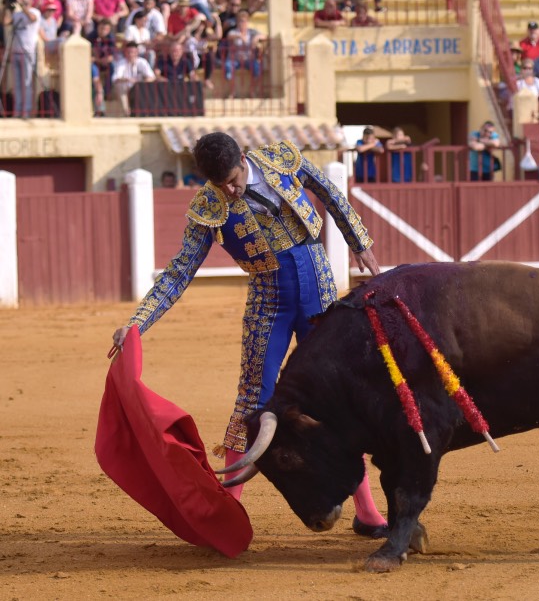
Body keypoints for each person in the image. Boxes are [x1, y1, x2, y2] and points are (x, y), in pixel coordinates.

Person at [110, 132, 389, 538]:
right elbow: (179, 272)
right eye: (219, 183)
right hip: (268, 298)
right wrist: (138, 322)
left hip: (319, 286)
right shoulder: (208, 205)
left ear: (244, 157)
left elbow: (330, 192)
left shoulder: (281, 157)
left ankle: (367, 511)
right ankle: (228, 511)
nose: (229, 189)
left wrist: (358, 241)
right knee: (252, 400)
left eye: (234, 179)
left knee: (336, 396)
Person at [3, 0, 41, 118]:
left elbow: (32, 18)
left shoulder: (35, 11)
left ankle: (27, 111)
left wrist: (22, 5)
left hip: (28, 52)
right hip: (16, 52)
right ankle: (18, 111)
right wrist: (7, 7)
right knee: (17, 84)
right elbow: (5, 22)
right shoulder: (17, 14)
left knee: (27, 82)